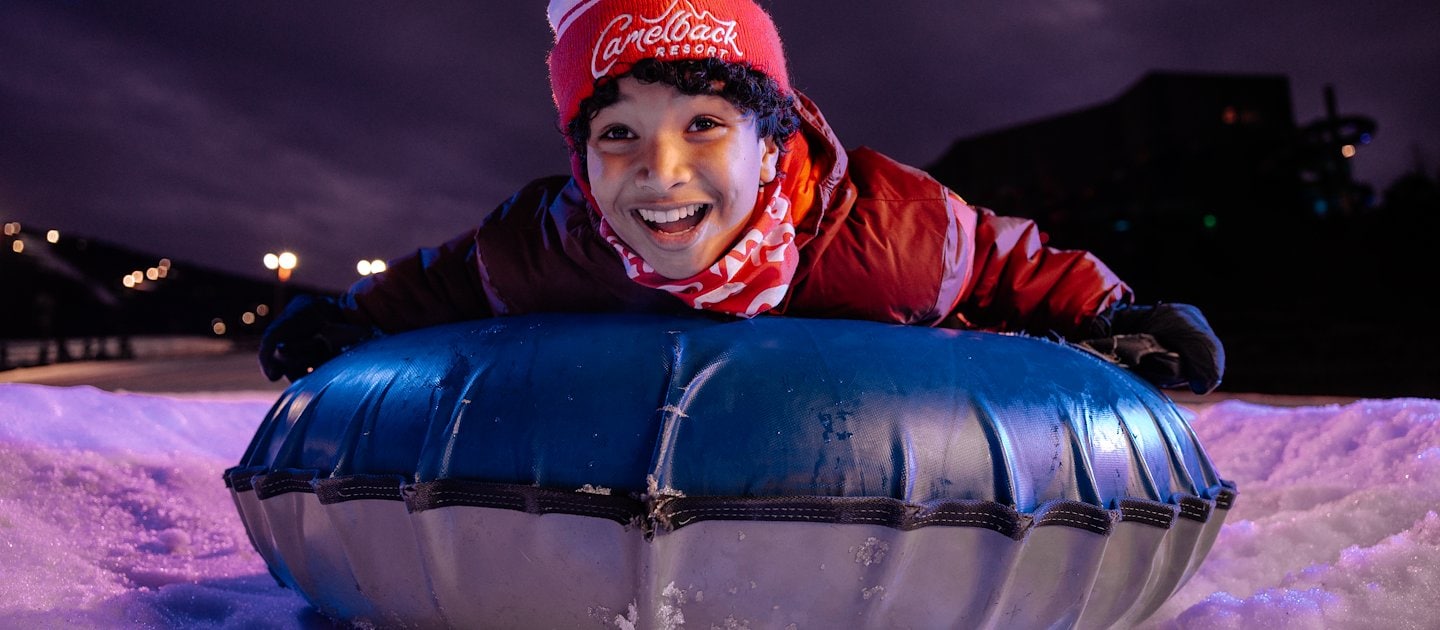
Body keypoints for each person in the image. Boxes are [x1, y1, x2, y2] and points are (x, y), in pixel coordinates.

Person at [259, 0, 1224, 394]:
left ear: (772, 141)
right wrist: (346, 324)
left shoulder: (891, 231)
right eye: (618, 135)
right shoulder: (549, 241)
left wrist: (1115, 314)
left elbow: (1010, 260)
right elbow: (446, 282)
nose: (661, 172)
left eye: (705, 125)